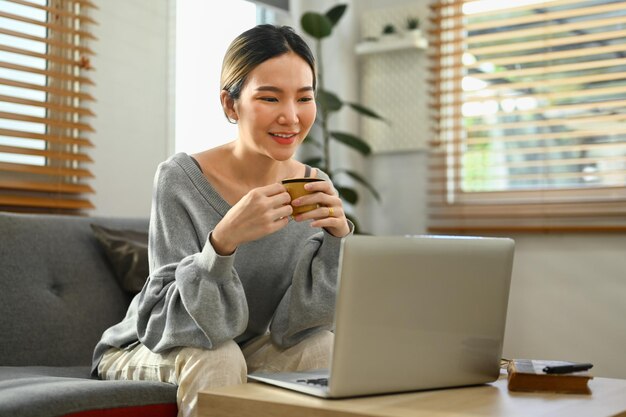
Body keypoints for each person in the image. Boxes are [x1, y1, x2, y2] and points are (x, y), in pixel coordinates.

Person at [92, 24, 352, 417]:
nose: (291, 116)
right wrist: (223, 242)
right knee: (218, 357)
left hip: (243, 346)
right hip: (156, 345)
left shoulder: (314, 188)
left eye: (304, 98)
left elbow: (295, 328)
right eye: (270, 97)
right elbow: (172, 321)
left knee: (321, 347)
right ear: (231, 105)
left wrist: (337, 245)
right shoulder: (179, 178)